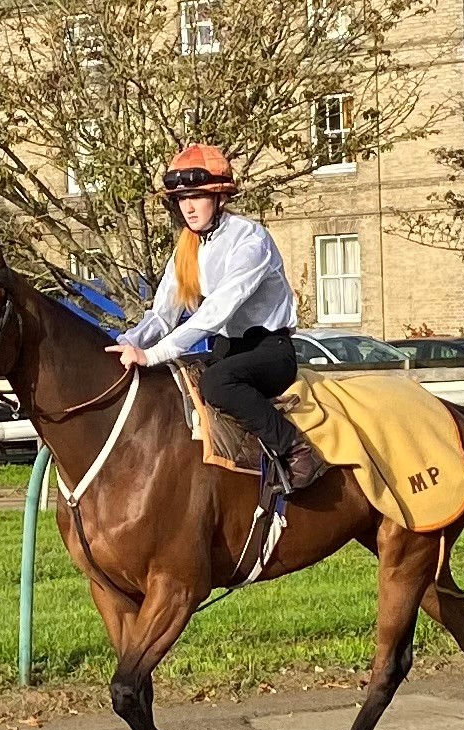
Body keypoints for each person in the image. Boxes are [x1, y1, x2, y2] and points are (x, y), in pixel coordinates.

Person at [107, 144, 328, 492]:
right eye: (181, 199)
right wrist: (128, 343)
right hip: (227, 350)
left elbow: (217, 311)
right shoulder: (187, 247)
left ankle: (297, 450)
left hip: (269, 351)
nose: (188, 207)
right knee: (169, 380)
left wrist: (152, 354)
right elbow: (164, 312)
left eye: (197, 196)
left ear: (220, 198)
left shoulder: (251, 239)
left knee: (216, 384)